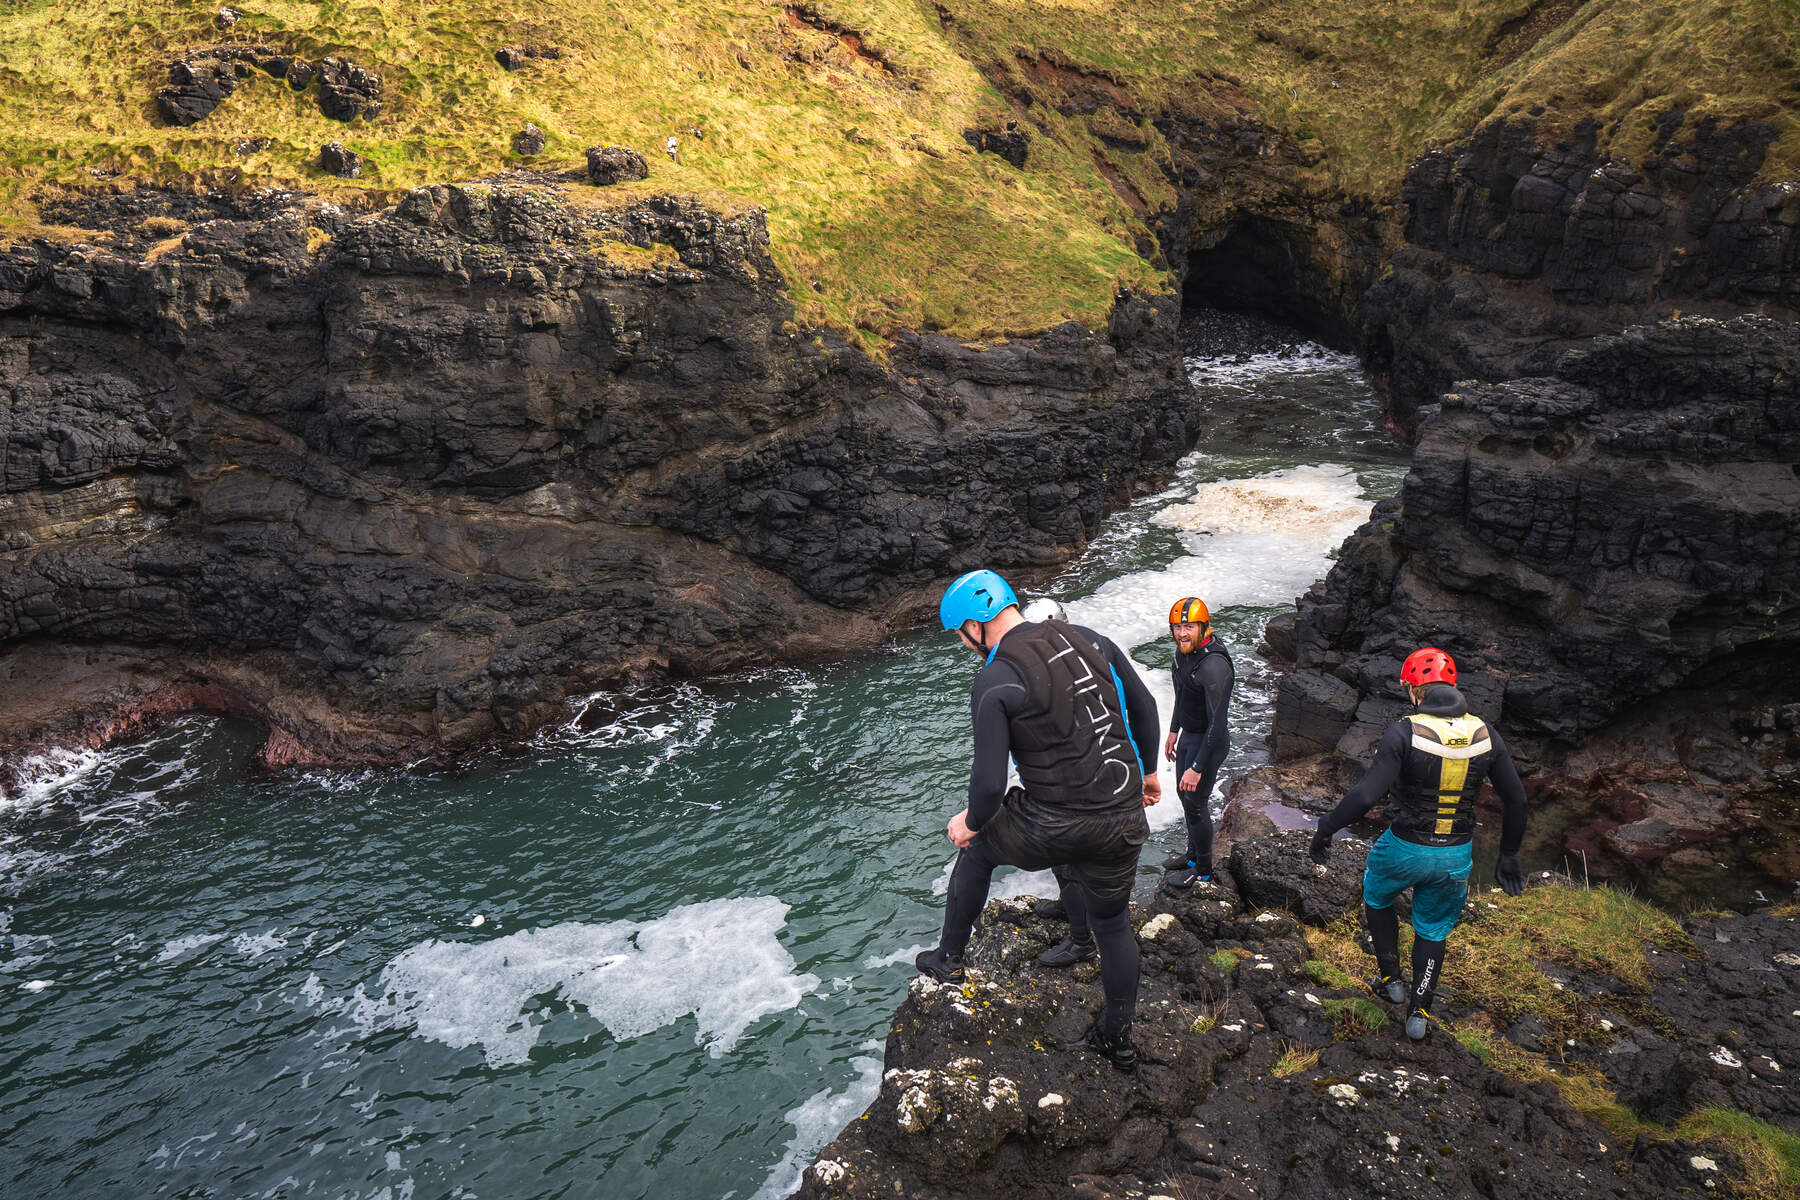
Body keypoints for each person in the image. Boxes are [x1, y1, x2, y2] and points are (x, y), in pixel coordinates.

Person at [917, 570, 1162, 1070]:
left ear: (973, 624)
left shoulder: (996, 677)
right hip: (1123, 814)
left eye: (959, 636)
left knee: (978, 849)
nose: (963, 646)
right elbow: (1145, 704)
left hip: (1057, 823)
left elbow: (987, 787)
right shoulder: (1091, 639)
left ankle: (948, 959)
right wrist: (1149, 772)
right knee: (1113, 926)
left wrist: (972, 822)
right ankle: (1116, 1038)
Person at [1308, 647, 1528, 1041]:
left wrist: (1327, 826)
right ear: (1453, 685)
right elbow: (1517, 800)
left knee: (1377, 897)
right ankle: (1420, 1011)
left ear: (1414, 690)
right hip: (1455, 855)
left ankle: (1391, 979)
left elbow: (1365, 796)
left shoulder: (1405, 731)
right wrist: (1508, 854)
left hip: (1403, 849)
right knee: (1432, 931)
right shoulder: (1485, 733)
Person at [1161, 597, 1233, 889]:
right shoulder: (1182, 655)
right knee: (1184, 798)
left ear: (1204, 627)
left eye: (1188, 627)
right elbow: (1182, 696)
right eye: (1177, 627)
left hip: (1210, 741)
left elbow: (1218, 723)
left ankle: (1203, 871)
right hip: (1189, 736)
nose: (1181, 634)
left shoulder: (1213, 665)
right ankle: (1192, 857)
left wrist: (1198, 766)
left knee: (1196, 803)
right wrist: (1173, 730)